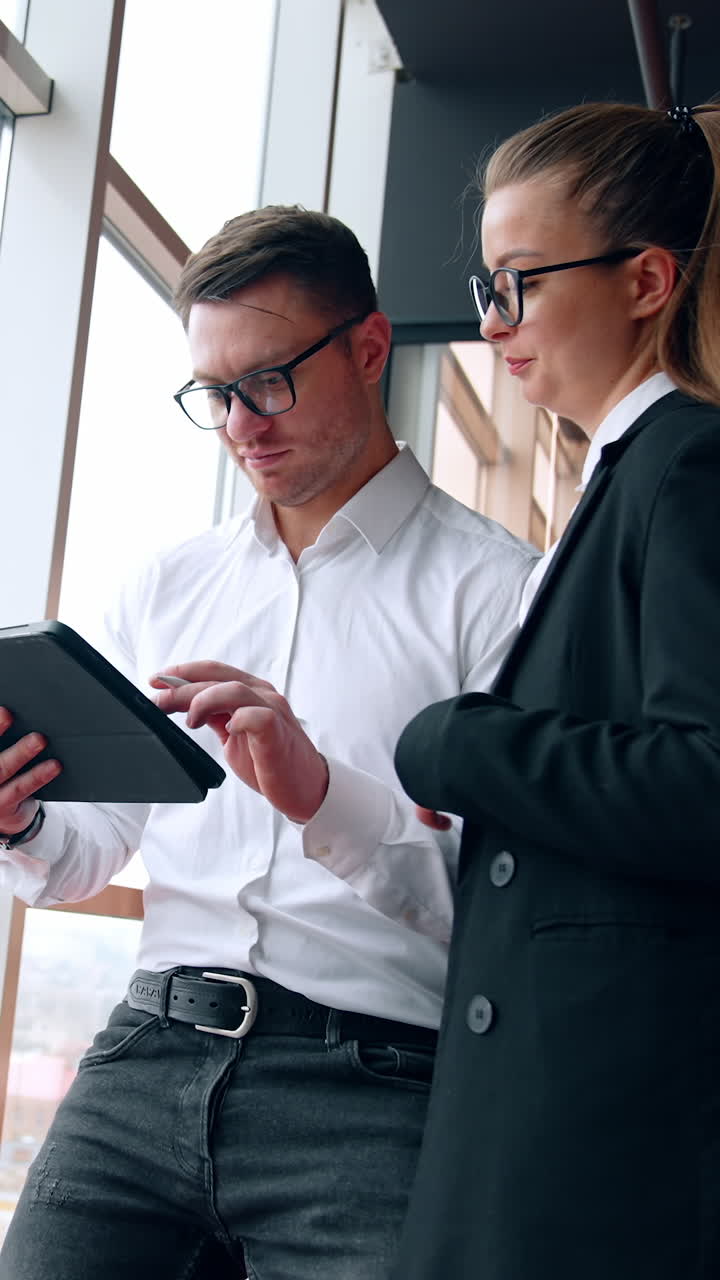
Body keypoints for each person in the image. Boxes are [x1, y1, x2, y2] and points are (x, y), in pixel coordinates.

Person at [0, 205, 537, 1280]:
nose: (241, 423)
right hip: (146, 1051)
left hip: (374, 1084)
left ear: (370, 348)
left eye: (269, 380)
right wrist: (21, 819)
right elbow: (84, 855)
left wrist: (323, 795)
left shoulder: (504, 594)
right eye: (215, 392)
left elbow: (504, 909)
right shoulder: (166, 584)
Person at [390, 100, 720, 1280]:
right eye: (488, 286)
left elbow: (708, 779)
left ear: (647, 280)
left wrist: (457, 743)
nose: (493, 322)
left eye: (521, 283)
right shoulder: (620, 479)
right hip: (552, 1101)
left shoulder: (689, 464)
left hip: (603, 1124)